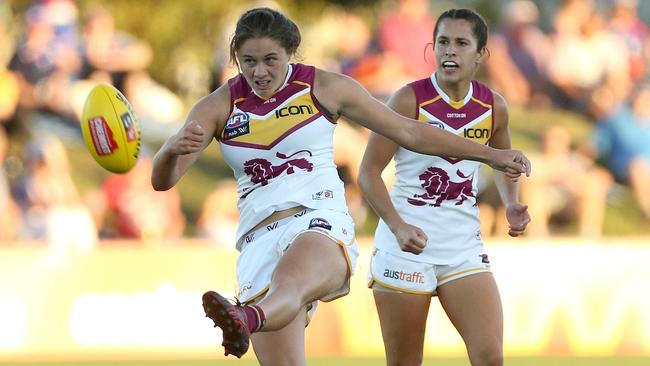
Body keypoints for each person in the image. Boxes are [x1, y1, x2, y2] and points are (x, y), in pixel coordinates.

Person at [151, 7, 530, 364]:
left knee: (291, 282)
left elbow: (410, 132)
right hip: (256, 237)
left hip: (317, 220)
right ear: (236, 60)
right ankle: (249, 315)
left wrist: (491, 156)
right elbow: (163, 181)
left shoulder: (325, 87)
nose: (260, 72)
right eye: (249, 61)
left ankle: (247, 318)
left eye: (271, 60)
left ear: (291, 54)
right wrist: (169, 151)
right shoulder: (218, 105)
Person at [358, 9, 531, 366]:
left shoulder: (494, 106)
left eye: (461, 43)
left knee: (490, 357)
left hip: (462, 249)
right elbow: (368, 174)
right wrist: (397, 226)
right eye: (443, 42)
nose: (450, 51)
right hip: (405, 249)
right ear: (432, 48)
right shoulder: (408, 100)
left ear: (482, 54)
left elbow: (501, 161)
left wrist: (511, 202)